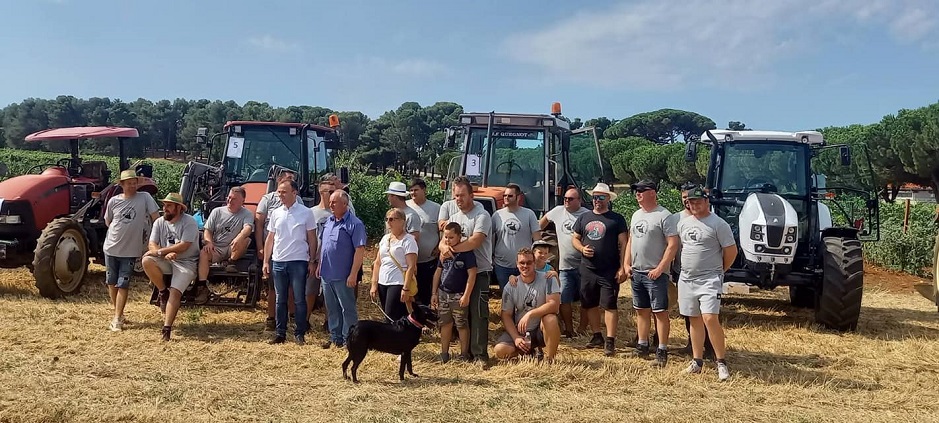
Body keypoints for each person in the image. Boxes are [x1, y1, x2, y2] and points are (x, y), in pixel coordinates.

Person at [677, 187, 737, 381]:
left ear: (707, 201)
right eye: (691, 202)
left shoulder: (718, 224)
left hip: (709, 279)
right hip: (687, 278)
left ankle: (721, 362)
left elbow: (731, 251)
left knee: (710, 318)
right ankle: (697, 361)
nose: (694, 205)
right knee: (694, 319)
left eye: (698, 202)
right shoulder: (684, 224)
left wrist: (720, 271)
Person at [438, 176, 493, 367]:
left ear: (471, 195)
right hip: (456, 274)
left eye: (461, 195)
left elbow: (475, 241)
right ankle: (465, 352)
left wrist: (449, 249)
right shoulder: (454, 218)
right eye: (455, 196)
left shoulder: (482, 215)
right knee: (461, 317)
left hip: (479, 272)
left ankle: (480, 355)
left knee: (478, 314)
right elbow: (443, 240)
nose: (458, 199)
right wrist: (442, 247)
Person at [623, 180, 679, 367]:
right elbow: (631, 241)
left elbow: (672, 245)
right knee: (641, 311)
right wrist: (626, 263)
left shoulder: (665, 215)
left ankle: (662, 350)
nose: (637, 194)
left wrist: (660, 268)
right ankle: (642, 346)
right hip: (637, 272)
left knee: (660, 312)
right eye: (636, 191)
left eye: (641, 191)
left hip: (655, 273)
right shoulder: (636, 215)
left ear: (653, 193)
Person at [572, 182, 628, 356]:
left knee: (609, 305)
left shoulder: (616, 219)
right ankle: (597, 336)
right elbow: (575, 238)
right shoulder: (583, 218)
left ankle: (610, 340)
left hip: (609, 269)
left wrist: (622, 267)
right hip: (588, 268)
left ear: (608, 199)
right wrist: (582, 249)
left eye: (601, 197)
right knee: (590, 304)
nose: (597, 200)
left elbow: (624, 244)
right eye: (595, 197)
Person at [103, 169, 159, 331]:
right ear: (122, 185)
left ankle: (117, 319)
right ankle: (118, 313)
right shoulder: (114, 201)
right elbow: (109, 221)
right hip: (111, 247)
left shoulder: (145, 198)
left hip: (130, 251)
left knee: (123, 283)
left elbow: (156, 219)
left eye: (135, 183)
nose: (132, 186)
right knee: (111, 282)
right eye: (129, 183)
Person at [263, 180, 317, 345]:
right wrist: (266, 261)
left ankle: (299, 333)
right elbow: (270, 238)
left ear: (295, 193)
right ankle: (281, 333)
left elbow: (312, 238)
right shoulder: (276, 213)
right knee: (280, 299)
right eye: (279, 192)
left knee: (299, 299)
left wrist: (312, 260)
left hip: (298, 261)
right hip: (278, 261)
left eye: (284, 192)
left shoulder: (306, 213)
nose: (280, 195)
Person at [142, 193, 200, 342]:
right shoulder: (159, 222)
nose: (165, 208)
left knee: (175, 292)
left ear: (179, 208)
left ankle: (167, 328)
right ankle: (162, 291)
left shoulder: (190, 222)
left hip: (186, 262)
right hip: (166, 259)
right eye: (164, 205)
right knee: (147, 261)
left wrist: (161, 252)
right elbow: (152, 244)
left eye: (168, 205)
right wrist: (162, 254)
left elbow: (184, 245)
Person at [668, 183, 715, 357]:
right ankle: (692, 343)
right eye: (685, 198)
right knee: (689, 311)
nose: (688, 202)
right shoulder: (675, 219)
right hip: (682, 271)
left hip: (706, 274)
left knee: (707, 312)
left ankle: (710, 347)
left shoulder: (710, 220)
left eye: (692, 199)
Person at [317, 190, 367, 349]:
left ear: (345, 204)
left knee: (347, 308)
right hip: (327, 274)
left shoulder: (355, 224)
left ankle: (349, 339)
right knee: (332, 308)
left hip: (343, 275)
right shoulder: (328, 221)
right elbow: (324, 247)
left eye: (334, 202)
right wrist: (319, 265)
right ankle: (335, 337)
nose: (330, 204)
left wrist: (353, 274)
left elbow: (359, 251)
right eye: (330, 202)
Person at [493, 248, 561, 364]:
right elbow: (506, 315)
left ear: (534, 263)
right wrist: (516, 337)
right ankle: (527, 352)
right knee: (500, 350)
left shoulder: (548, 279)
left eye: (529, 262)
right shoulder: (510, 286)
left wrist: (530, 313)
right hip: (521, 331)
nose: (525, 266)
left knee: (550, 319)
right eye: (522, 263)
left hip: (540, 329)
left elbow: (554, 305)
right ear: (517, 264)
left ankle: (550, 360)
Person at [540, 187, 590, 338]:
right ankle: (569, 329)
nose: (566, 201)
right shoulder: (557, 211)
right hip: (565, 266)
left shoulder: (587, 215)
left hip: (584, 265)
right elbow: (541, 225)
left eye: (570, 199)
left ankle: (582, 329)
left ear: (579, 201)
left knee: (585, 299)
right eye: (565, 199)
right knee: (563, 298)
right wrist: (537, 241)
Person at [195, 186, 254, 304]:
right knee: (204, 253)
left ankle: (231, 262)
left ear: (242, 201)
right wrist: (208, 242)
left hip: (233, 247)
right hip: (216, 247)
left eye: (234, 199)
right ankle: (202, 286)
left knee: (245, 239)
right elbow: (208, 230)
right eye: (229, 197)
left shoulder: (247, 214)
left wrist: (239, 237)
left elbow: (248, 228)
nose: (230, 201)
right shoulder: (217, 211)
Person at [255, 170, 297, 330]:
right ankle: (271, 319)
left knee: (292, 287)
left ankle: (292, 317)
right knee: (274, 288)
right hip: (274, 251)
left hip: (293, 252)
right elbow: (259, 225)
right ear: (279, 181)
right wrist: (260, 248)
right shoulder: (267, 199)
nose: (291, 181)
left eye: (293, 180)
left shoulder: (298, 201)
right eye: (288, 179)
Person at [431, 222, 477, 363]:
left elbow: (472, 274)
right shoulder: (444, 252)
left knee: (462, 324)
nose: (447, 240)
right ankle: (444, 353)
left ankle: (463, 354)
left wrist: (466, 295)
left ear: (459, 236)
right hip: (443, 293)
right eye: (445, 237)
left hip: (459, 294)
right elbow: (438, 272)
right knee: (445, 323)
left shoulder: (467, 253)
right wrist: (434, 293)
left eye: (451, 237)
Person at [371, 208, 418, 322]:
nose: (388, 222)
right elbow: (377, 262)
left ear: (402, 221)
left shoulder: (409, 240)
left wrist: (406, 288)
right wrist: (374, 283)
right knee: (387, 315)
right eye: (387, 219)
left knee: (391, 315)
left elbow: (411, 266)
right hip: (383, 281)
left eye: (392, 219)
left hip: (398, 282)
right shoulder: (385, 238)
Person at [491, 183, 541, 289]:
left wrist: (537, 257)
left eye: (510, 196)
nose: (506, 198)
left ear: (518, 197)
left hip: (524, 265)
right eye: (505, 195)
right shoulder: (497, 215)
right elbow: (490, 238)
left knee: (524, 296)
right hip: (502, 265)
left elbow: (537, 238)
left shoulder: (529, 214)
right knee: (507, 297)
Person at [406, 178, 441, 307]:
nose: (413, 193)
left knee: (425, 292)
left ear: (424, 190)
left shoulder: (436, 208)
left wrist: (438, 247)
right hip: (409, 261)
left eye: (416, 190)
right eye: (411, 190)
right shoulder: (406, 206)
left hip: (428, 260)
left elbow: (442, 231)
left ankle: (424, 322)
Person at [307, 177, 336, 325]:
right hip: (315, 258)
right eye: (329, 191)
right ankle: (305, 320)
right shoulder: (311, 213)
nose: (332, 194)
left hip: (333, 260)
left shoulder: (340, 212)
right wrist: (311, 260)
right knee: (310, 291)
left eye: (334, 191)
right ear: (320, 192)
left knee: (329, 293)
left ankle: (328, 322)